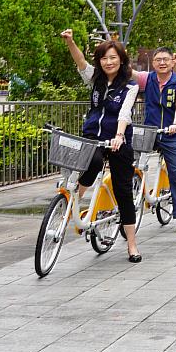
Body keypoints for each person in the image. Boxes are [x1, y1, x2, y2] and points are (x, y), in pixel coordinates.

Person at [60, 29, 142, 262]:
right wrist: (71, 42)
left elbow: (125, 113)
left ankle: (132, 245)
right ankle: (75, 199)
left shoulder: (130, 85)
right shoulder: (94, 78)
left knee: (123, 190)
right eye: (104, 58)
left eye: (113, 58)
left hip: (118, 140)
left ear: (121, 60)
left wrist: (118, 136)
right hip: (93, 136)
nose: (108, 62)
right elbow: (80, 62)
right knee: (93, 162)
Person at [136, 47, 176, 233]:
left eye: (165, 59)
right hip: (149, 131)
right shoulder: (147, 79)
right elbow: (130, 73)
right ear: (153, 62)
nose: (162, 62)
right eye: (158, 59)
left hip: (170, 133)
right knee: (130, 164)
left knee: (175, 173)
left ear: (173, 61)